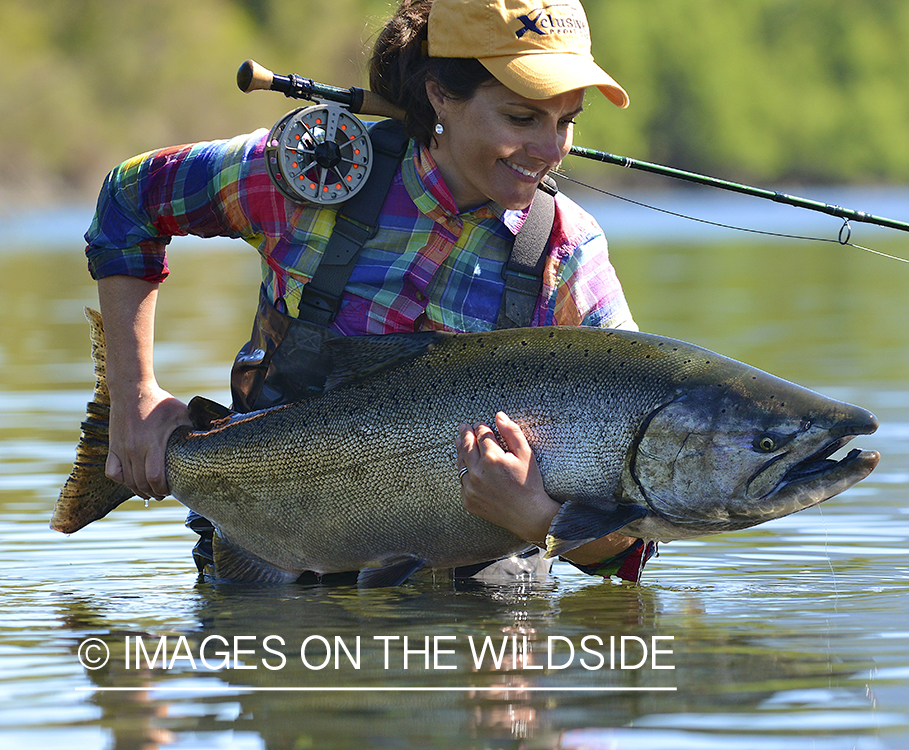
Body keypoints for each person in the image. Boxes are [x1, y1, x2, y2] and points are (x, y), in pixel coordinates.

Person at [84, 0, 656, 583]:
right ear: (439, 95)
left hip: (474, 614)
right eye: (521, 118)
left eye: (566, 121)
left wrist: (539, 519)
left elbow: (632, 544)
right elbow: (130, 199)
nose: (550, 150)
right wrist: (133, 398)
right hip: (273, 561)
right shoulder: (307, 178)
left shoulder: (566, 249)